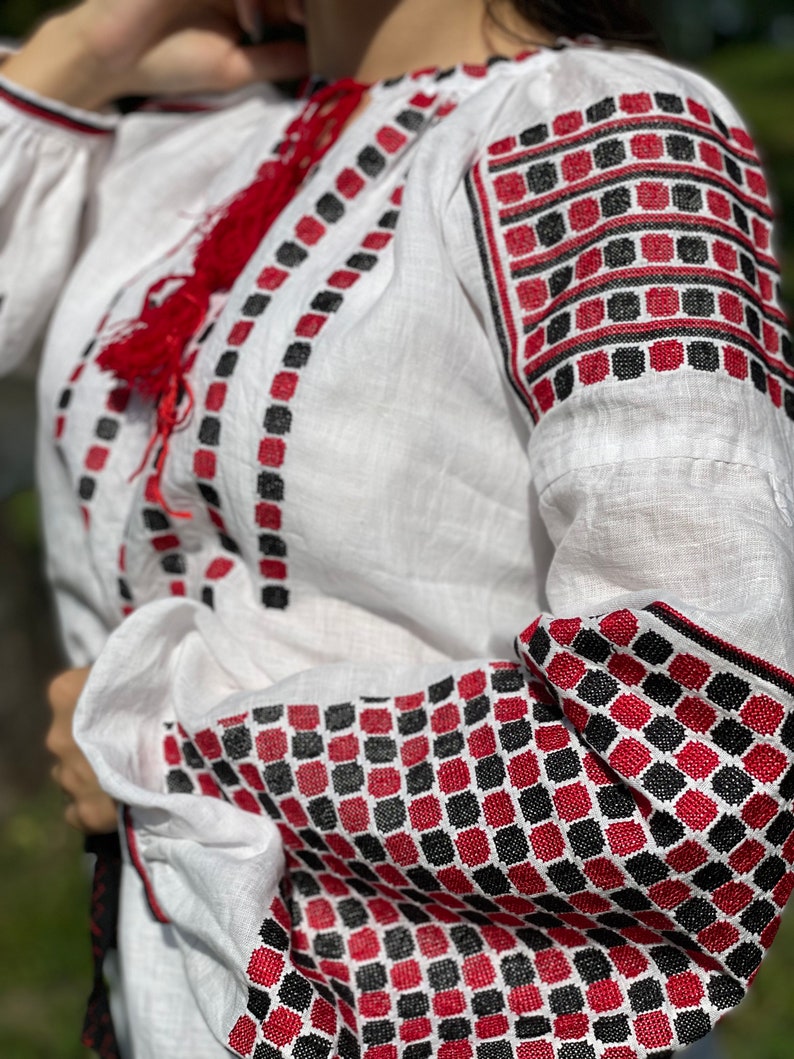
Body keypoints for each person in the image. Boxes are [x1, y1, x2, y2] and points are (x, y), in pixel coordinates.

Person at [0, 1, 791, 1057]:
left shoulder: (601, 127)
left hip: (455, 1017)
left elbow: (683, 738)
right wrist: (75, 58)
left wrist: (157, 741)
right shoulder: (174, 141)